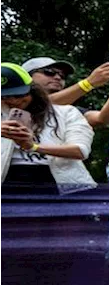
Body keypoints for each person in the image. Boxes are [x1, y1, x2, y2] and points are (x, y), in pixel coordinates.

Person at [0, 63, 95, 192]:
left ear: (33, 90)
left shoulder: (66, 113)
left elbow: (80, 150)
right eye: (3, 97)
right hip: (8, 183)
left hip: (60, 185)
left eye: (18, 95)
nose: (12, 101)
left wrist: (33, 146)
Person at [22, 56, 109, 127]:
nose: (58, 77)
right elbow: (43, 103)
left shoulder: (68, 111)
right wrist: (89, 83)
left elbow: (102, 119)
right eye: (49, 72)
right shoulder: (14, 100)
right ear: (27, 76)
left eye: (62, 75)